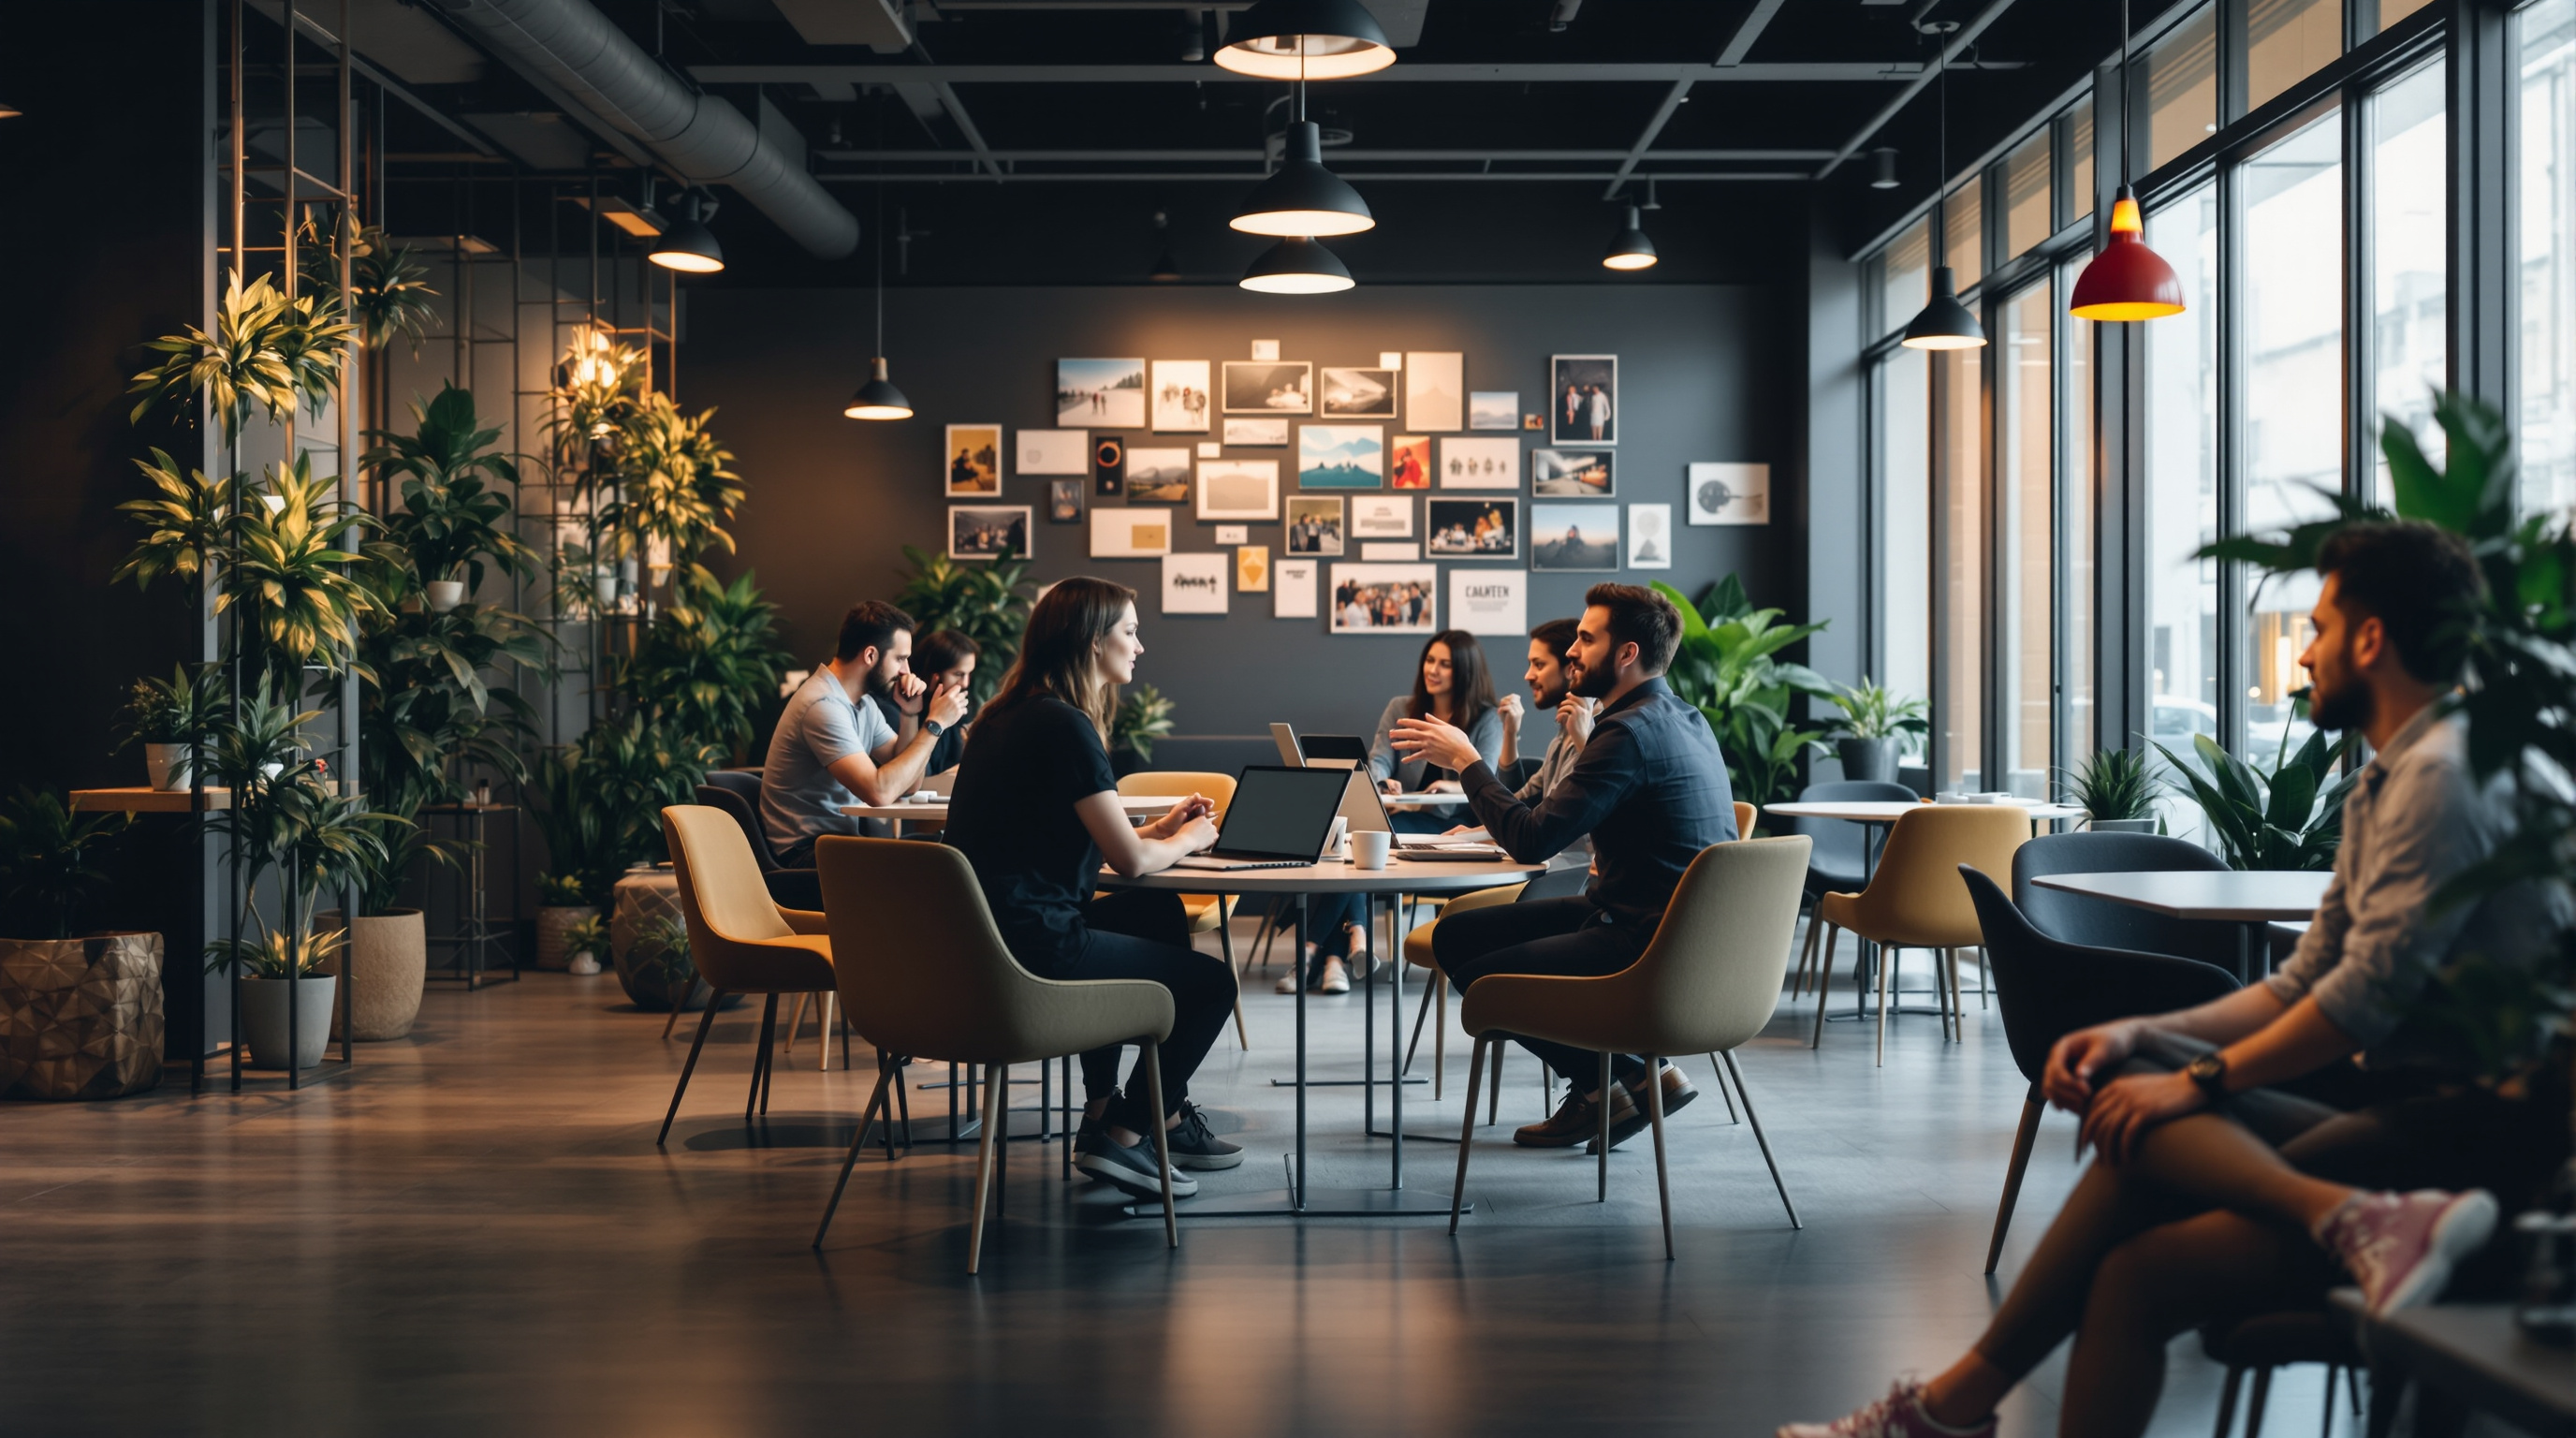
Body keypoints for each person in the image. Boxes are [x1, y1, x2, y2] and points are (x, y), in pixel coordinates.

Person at [1782, 521, 2573, 1438]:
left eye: (2317, 627)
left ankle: (1947, 1407)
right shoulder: (2394, 779)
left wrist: (2197, 1077)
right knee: (2134, 1120)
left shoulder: (2443, 776)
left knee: (2139, 1226)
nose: (2302, 655)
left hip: (2481, 1150)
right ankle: (2347, 1217)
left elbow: (2359, 1001)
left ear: (2370, 639)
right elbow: (2302, 979)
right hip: (2408, 1119)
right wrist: (2144, 1037)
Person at [1398, 585, 1737, 1152]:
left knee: (1485, 980)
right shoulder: (1682, 717)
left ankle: (1619, 1080)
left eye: (1585, 637)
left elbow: (1534, 839)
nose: (1572, 650)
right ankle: (1616, 1083)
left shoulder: (1624, 734)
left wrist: (1466, 761)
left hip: (1648, 945)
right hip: (1678, 933)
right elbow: (1545, 817)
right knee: (1456, 936)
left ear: (1626, 654)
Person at [943, 577, 1245, 1197]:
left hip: (983, 943)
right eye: (1129, 632)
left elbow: (1062, 846)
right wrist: (1188, 840)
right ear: (1089, 642)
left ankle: (1108, 1111)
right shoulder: (1067, 726)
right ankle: (1128, 1135)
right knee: (1214, 984)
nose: (1139, 646)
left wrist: (1157, 829)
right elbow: (1130, 863)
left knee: (1155, 915)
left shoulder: (1005, 718)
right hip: (1036, 948)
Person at [758, 600, 968, 868]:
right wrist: (935, 725)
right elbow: (879, 793)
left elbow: (908, 784)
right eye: (901, 659)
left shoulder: (863, 703)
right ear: (870, 656)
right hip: (806, 853)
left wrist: (910, 715)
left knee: (947, 849)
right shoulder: (823, 705)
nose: (906, 671)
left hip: (839, 844)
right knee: (937, 864)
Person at [1487, 618, 1594, 868]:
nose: (1528, 675)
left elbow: (1546, 823)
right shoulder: (1562, 734)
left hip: (1571, 871)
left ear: (1571, 668)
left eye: (1539, 664)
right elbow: (1517, 801)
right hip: (1554, 862)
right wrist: (1510, 734)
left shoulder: (1593, 729)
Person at [867, 628, 977, 779]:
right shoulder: (891, 709)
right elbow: (920, 777)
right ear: (934, 674)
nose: (965, 683)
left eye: (969, 674)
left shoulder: (958, 712)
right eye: (958, 674)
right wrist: (938, 719)